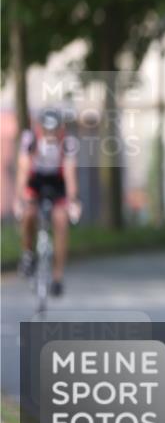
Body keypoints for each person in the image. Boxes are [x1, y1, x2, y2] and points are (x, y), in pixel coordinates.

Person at [14, 108, 81, 297]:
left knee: (60, 220)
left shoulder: (68, 143)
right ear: (39, 127)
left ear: (61, 129)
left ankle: (57, 277)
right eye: (46, 130)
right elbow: (23, 169)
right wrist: (19, 198)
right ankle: (28, 254)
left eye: (54, 131)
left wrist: (73, 200)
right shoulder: (30, 139)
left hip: (57, 183)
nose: (50, 135)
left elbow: (69, 174)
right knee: (28, 213)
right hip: (35, 180)